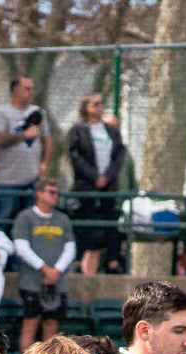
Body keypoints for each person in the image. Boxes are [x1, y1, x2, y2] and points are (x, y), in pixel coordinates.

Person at [10, 177, 75, 348]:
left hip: (56, 282)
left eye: (57, 193)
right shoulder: (25, 217)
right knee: (30, 324)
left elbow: (70, 248)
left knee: (51, 326)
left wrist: (56, 270)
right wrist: (44, 268)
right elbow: (21, 247)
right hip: (32, 281)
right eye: (51, 192)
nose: (56, 196)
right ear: (39, 193)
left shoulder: (63, 219)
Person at [66, 93, 125, 275]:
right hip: (86, 185)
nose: (99, 107)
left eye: (101, 104)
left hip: (108, 185)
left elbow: (119, 155)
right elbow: (76, 156)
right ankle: (78, 262)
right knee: (85, 222)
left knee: (110, 222)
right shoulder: (78, 130)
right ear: (86, 108)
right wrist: (94, 176)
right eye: (95, 104)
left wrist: (106, 176)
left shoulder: (111, 131)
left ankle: (113, 262)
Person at [0, 74, 49, 225]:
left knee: (33, 221)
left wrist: (45, 163)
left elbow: (47, 139)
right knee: (4, 219)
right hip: (8, 180)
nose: (31, 92)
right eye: (27, 89)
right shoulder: (1, 112)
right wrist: (23, 135)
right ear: (15, 90)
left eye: (32, 89)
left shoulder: (38, 112)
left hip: (32, 178)